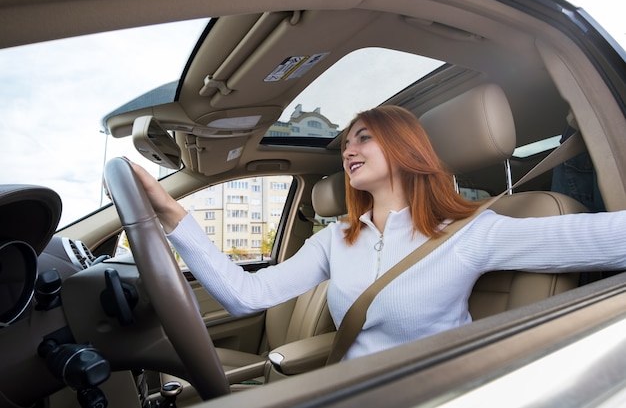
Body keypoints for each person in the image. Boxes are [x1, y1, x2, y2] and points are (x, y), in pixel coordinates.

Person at [131, 105, 626, 361]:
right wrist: (171, 215)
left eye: (364, 138)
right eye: (347, 143)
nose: (349, 150)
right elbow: (244, 296)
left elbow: (610, 239)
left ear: (407, 149)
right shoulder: (333, 239)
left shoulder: (471, 233)